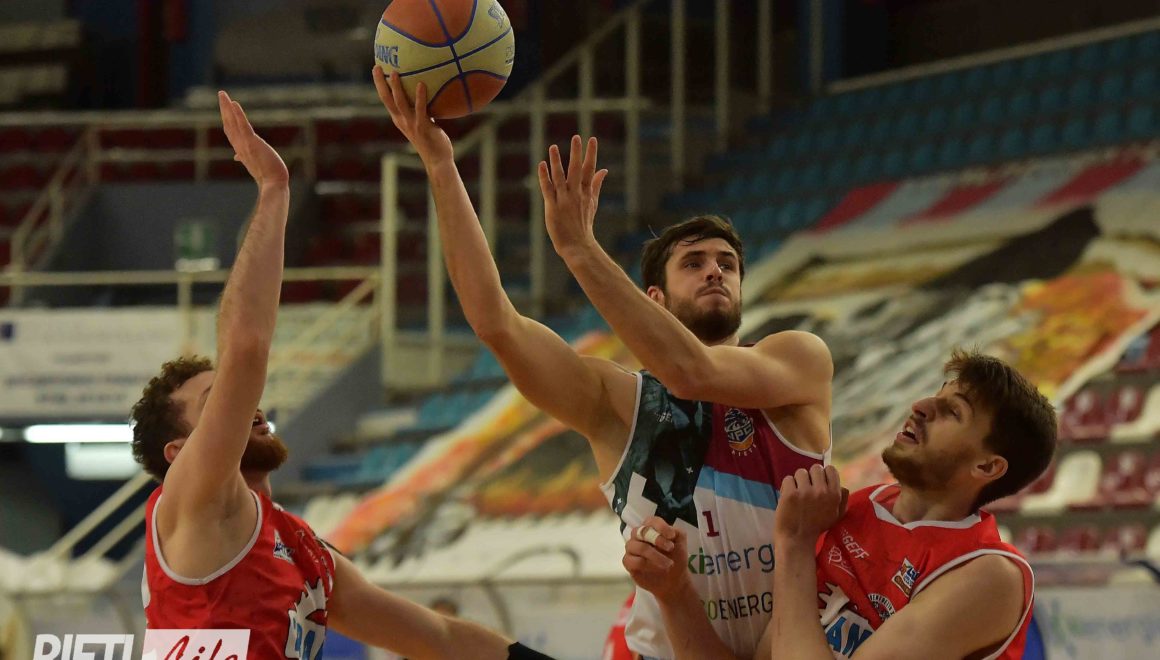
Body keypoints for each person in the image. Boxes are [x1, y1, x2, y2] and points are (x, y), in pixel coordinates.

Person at [374, 68, 833, 659]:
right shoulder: (617, 402)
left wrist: (579, 249)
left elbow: (693, 374)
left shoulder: (798, 359)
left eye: (727, 264)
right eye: (693, 263)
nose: (715, 272)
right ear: (654, 300)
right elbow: (496, 324)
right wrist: (440, 164)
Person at [130, 91, 552, 660]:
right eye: (215, 402)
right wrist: (274, 190)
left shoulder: (302, 550)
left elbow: (439, 637)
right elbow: (246, 350)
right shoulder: (189, 503)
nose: (247, 405)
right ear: (179, 453)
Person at [624, 350, 1056, 659]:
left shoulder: (990, 574)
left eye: (952, 411)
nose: (921, 406)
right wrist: (674, 592)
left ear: (987, 466)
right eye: (935, 395)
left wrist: (795, 545)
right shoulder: (855, 507)